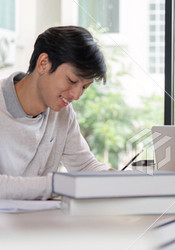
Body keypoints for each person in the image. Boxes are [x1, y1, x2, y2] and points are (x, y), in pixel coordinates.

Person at [0, 25, 111, 200]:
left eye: (84, 87)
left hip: (40, 222)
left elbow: (84, 166)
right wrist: (59, 185)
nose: (76, 95)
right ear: (43, 63)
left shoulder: (62, 111)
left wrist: (114, 177)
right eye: (72, 80)